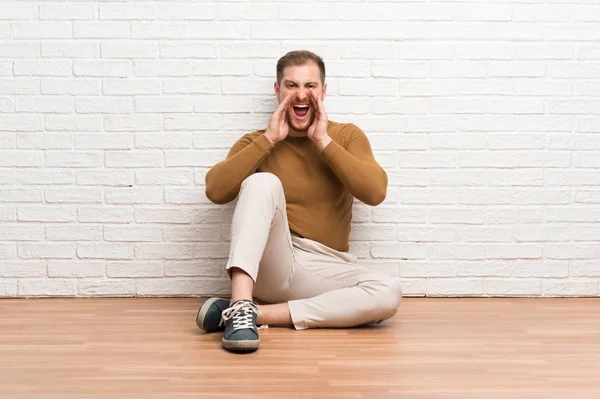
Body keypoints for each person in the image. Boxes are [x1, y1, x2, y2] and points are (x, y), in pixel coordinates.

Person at [196, 50, 403, 353]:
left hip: (324, 266)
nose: (301, 94)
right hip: (273, 261)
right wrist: (268, 140)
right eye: (291, 85)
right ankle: (241, 299)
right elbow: (216, 191)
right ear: (278, 90)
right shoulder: (257, 140)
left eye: (310, 86)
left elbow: (375, 193)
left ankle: (247, 313)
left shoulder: (345, 136)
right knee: (261, 182)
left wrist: (322, 141)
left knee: (388, 292)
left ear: (323, 91)